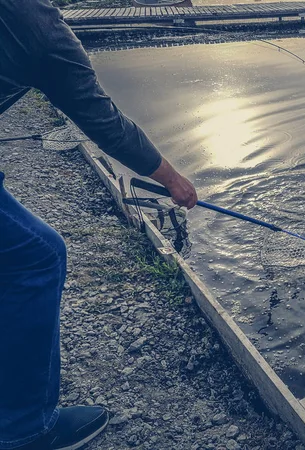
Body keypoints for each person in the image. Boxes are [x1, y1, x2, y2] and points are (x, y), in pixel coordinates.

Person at [0, 1, 199, 448]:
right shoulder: (37, 25)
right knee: (37, 256)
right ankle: (26, 431)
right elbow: (103, 121)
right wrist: (172, 179)